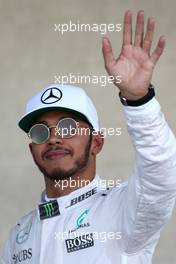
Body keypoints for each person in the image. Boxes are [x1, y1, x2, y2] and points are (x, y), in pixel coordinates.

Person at [1, 10, 176, 264]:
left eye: (68, 126)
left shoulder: (123, 210)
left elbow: (162, 175)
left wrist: (140, 102)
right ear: (32, 151)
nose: (53, 139)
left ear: (96, 143)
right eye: (41, 131)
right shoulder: (19, 233)